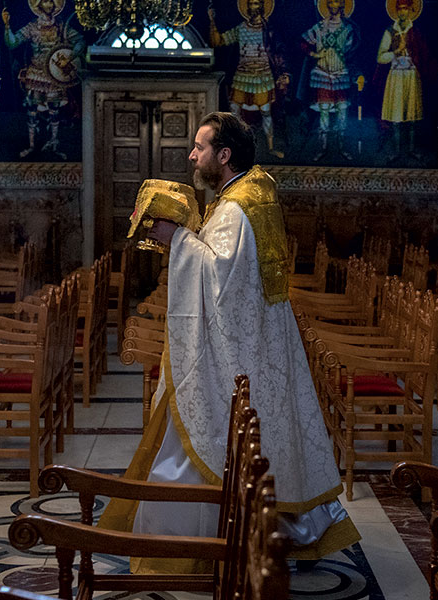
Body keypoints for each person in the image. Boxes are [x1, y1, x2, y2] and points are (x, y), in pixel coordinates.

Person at [99, 112, 360, 574]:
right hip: (254, 337)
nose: (191, 155)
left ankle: (195, 542)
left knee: (213, 425)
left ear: (224, 155)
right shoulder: (245, 195)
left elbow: (220, 275)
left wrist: (176, 237)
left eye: (199, 148)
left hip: (238, 345)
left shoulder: (238, 207)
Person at [2, 0, 84, 158]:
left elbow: (80, 41)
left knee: (54, 110)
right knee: (32, 110)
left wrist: (70, 57)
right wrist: (7, 26)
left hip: (54, 75)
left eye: (52, 1)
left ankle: (54, 144)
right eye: (46, 1)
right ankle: (32, 146)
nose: (50, 5)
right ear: (39, 5)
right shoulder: (32, 26)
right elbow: (12, 43)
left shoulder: (61, 26)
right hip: (35, 74)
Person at [208, 0, 289, 158]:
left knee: (266, 112)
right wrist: (212, 21)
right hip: (242, 75)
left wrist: (283, 73)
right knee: (234, 112)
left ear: (262, 7)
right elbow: (217, 41)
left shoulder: (268, 31)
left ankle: (270, 147)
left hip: (263, 76)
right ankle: (236, 148)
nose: (253, 7)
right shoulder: (241, 29)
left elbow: (278, 53)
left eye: (256, 4)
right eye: (250, 4)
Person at [375, 0, 438, 160]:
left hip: (412, 77)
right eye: (399, 9)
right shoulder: (389, 32)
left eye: (405, 9)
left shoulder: (415, 32)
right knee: (396, 117)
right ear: (396, 11)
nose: (402, 12)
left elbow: (425, 56)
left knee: (412, 116)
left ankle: (412, 150)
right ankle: (397, 151)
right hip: (396, 78)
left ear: (410, 11)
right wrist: (396, 52)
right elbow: (380, 57)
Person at [300, 0, 357, 161]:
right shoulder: (318, 27)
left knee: (342, 112)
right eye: (330, 2)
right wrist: (315, 54)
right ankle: (322, 148)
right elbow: (303, 43)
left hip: (341, 75)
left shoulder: (348, 29)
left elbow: (351, 52)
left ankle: (342, 147)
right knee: (324, 112)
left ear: (341, 5)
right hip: (322, 75)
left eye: (336, 2)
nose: (332, 5)